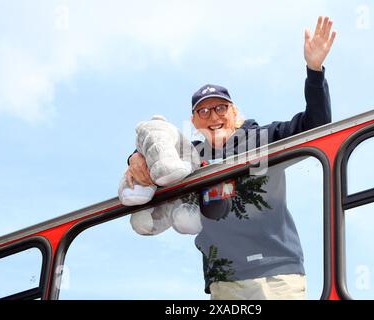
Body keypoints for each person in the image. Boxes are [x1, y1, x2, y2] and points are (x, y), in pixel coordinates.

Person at [126, 16, 336, 300]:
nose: (214, 117)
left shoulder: (264, 137)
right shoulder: (191, 157)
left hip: (275, 274)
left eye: (221, 108)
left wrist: (314, 71)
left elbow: (318, 125)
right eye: (204, 112)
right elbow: (155, 154)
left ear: (236, 113)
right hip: (223, 281)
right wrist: (134, 159)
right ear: (194, 121)